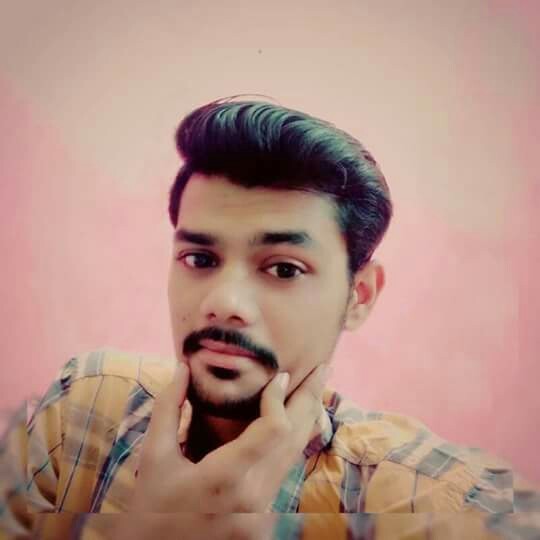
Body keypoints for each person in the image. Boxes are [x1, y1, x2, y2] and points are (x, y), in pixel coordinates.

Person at [1, 96, 538, 540]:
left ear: (359, 296)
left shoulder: (429, 499)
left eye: (283, 268)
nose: (225, 302)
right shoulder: (81, 409)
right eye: (200, 259)